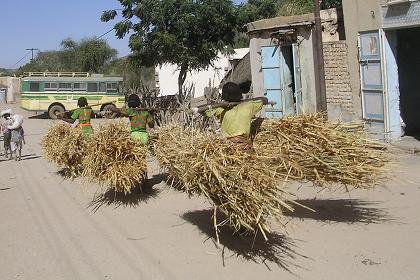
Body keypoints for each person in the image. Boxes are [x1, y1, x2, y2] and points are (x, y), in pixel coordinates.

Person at [193, 82, 272, 149]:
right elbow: (264, 99)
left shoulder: (220, 110)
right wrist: (245, 101)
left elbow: (199, 110)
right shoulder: (249, 105)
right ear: (239, 94)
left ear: (224, 97)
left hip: (226, 147)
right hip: (244, 146)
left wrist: (218, 104)